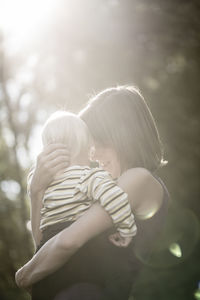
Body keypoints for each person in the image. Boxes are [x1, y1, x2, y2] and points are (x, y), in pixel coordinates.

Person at [16, 86, 169, 300]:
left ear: (123, 135)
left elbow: (66, 242)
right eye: (90, 144)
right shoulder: (100, 191)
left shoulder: (138, 179)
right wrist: (37, 192)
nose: (93, 153)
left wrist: (24, 276)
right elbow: (46, 245)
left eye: (99, 141)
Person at [30, 110, 136, 249]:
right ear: (86, 147)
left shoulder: (44, 185)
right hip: (82, 245)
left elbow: (38, 239)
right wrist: (127, 229)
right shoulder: (88, 176)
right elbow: (115, 198)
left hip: (48, 245)